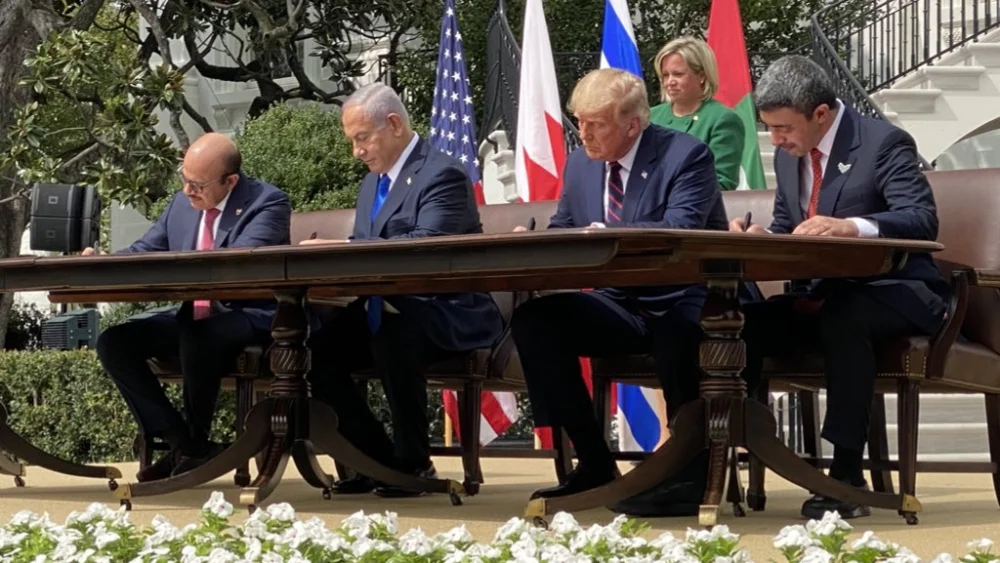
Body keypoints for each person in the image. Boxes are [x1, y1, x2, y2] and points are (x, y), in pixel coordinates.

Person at [729, 55, 948, 519]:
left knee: (843, 317)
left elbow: (921, 219)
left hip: (898, 289)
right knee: (739, 325)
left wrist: (852, 226)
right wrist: (762, 238)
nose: (776, 140)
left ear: (821, 114)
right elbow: (793, 226)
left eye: (783, 128)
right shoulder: (791, 158)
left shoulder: (883, 143)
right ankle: (736, 449)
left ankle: (847, 474)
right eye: (769, 128)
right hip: (822, 291)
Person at [509, 68, 727, 515]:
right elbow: (566, 228)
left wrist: (607, 232)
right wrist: (537, 245)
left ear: (633, 123)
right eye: (579, 122)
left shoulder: (687, 155)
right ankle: (593, 462)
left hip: (684, 294)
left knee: (676, 335)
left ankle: (690, 473)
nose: (584, 134)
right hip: (620, 300)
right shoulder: (580, 162)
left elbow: (681, 230)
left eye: (597, 124)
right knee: (536, 321)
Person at [302, 83, 503, 497]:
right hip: (381, 307)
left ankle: (414, 464)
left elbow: (424, 250)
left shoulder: (442, 173)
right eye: (352, 141)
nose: (356, 151)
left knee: (395, 339)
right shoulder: (370, 184)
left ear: (393, 124)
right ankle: (374, 460)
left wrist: (342, 249)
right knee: (314, 350)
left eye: (362, 138)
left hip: (443, 310)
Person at [94, 132, 292, 482]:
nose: (188, 191)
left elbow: (237, 266)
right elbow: (146, 251)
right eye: (183, 178)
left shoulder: (268, 202)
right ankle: (183, 442)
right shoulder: (180, 205)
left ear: (230, 180)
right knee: (114, 341)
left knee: (199, 334)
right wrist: (100, 263)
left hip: (246, 314)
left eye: (197, 184)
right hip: (194, 315)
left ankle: (195, 442)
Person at [650, 37, 745, 191]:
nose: (670, 82)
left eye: (678, 74)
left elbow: (722, 182)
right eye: (665, 75)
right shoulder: (651, 116)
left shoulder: (722, 119)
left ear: (701, 76)